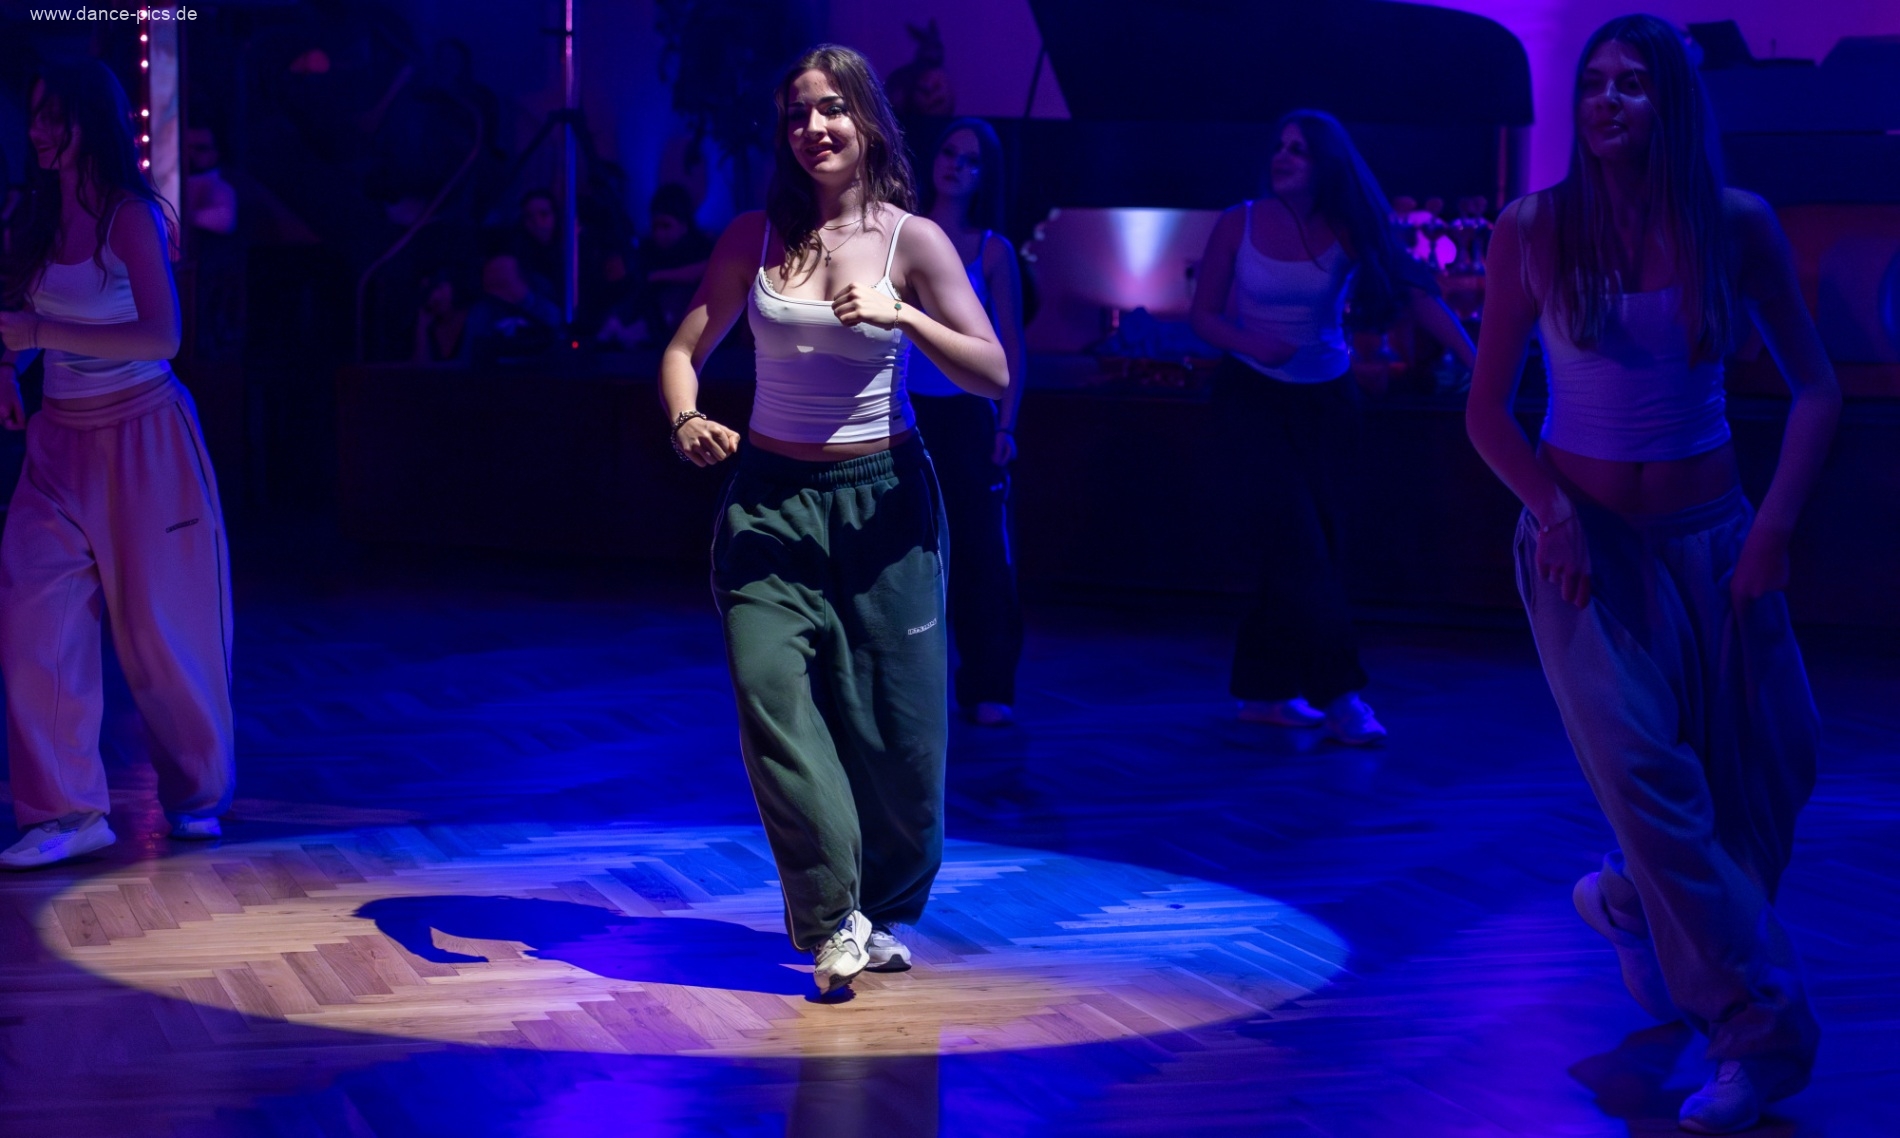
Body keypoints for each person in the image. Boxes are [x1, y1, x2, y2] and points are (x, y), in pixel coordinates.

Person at [1465, 16, 1838, 1133]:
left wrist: (1770, 531)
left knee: (1778, 765)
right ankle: (1757, 1035)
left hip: (1716, 540)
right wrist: (1551, 512)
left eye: (1632, 83)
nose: (1609, 99)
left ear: (1670, 101)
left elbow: (1816, 391)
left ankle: (1633, 899)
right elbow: (1487, 412)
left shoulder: (1736, 223)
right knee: (1655, 786)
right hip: (1584, 555)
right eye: (1596, 82)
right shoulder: (1534, 228)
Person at [659, 45, 1006, 997]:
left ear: (868, 122)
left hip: (884, 502)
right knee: (768, 693)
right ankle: (833, 913)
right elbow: (684, 351)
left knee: (899, 733)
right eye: (797, 114)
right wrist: (686, 419)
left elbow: (992, 370)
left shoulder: (913, 241)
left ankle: (887, 910)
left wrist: (904, 317)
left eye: (831, 109)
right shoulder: (754, 237)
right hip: (770, 502)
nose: (813, 127)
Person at [0, 61, 235, 869]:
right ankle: (64, 812)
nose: (38, 133)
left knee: (162, 635)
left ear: (90, 123)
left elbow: (162, 336)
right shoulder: (35, 216)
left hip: (145, 439)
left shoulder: (131, 218)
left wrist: (38, 337)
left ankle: (197, 794)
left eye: (53, 117)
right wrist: (11, 366)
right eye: (34, 116)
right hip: (58, 444)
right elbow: (22, 320)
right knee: (34, 620)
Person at [1191, 109, 1474, 746]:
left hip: (1328, 403)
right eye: (1279, 146)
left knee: (1310, 544)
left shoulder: (1349, 224)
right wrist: (1252, 343)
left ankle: (1264, 691)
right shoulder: (1238, 221)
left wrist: (1478, 361)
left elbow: (1417, 293)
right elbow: (1202, 316)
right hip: (1252, 398)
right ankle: (1343, 695)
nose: (1283, 156)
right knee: (1299, 544)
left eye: (1299, 149)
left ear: (1326, 164)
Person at [912, 117, 1025, 726]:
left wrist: (1006, 425)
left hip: (968, 415)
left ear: (986, 176)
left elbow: (1012, 345)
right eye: (950, 152)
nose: (956, 165)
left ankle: (988, 685)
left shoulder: (993, 249)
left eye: (972, 160)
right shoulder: (898, 230)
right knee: (906, 551)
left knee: (981, 552)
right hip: (901, 412)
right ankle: (904, 686)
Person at [462, 252, 561, 364]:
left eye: (501, 283)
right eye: (491, 285)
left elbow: (555, 355)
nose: (495, 293)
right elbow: (470, 358)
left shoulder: (548, 312)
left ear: (521, 280)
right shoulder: (481, 313)